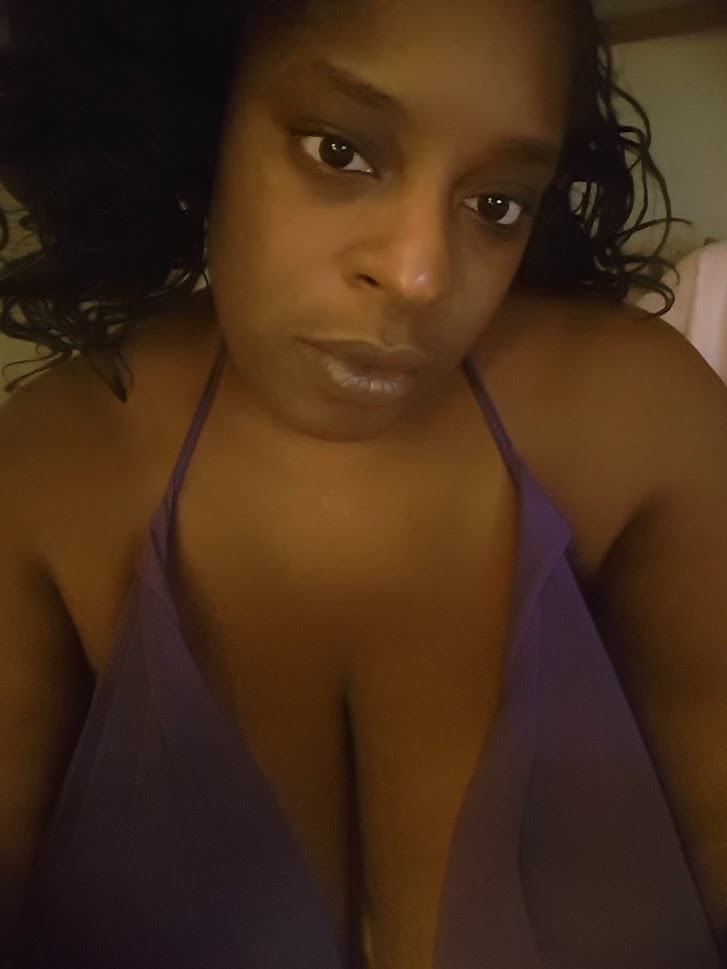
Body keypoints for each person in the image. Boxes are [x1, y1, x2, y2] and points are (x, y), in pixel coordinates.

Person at [0, 0, 725, 965]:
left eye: (495, 203)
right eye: (338, 151)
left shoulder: (635, 420)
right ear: (201, 116)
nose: (421, 276)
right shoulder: (55, 470)